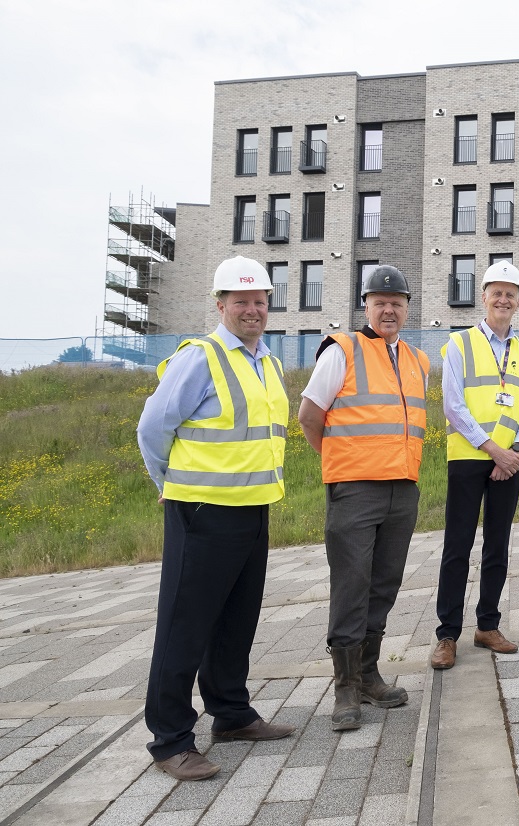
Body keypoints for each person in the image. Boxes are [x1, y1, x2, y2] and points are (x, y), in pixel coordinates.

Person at [136, 256, 294, 781]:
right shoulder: (200, 357)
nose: (252, 309)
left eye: (259, 301)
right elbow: (153, 427)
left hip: (252, 510)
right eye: (241, 301)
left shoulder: (266, 362)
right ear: (221, 304)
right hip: (201, 510)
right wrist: (169, 485)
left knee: (235, 621)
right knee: (185, 625)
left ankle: (230, 714)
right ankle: (170, 739)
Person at [298, 265, 429, 730]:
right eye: (379, 302)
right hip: (354, 490)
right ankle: (345, 690)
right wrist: (340, 460)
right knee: (351, 585)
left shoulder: (417, 360)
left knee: (384, 584)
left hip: (402, 490)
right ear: (366, 306)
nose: (389, 309)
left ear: (408, 307)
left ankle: (370, 675)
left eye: (397, 302)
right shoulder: (343, 350)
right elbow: (309, 415)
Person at [431, 260, 519, 669]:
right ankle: (446, 635)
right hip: (468, 458)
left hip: (510, 462)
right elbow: (453, 405)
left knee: (498, 545)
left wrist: (515, 450)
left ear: (518, 302)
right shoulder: (458, 344)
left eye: (511, 293)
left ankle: (487, 625)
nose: (503, 298)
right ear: (484, 297)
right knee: (457, 546)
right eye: (496, 291)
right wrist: (494, 450)